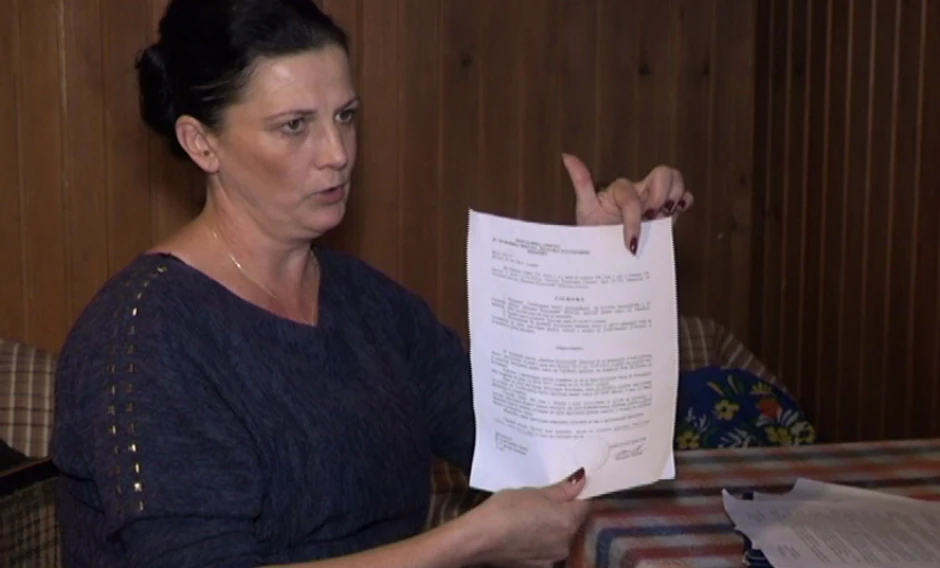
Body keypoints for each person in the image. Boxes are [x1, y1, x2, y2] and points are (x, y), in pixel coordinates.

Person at [50, 0, 694, 567]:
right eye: (295, 125)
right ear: (201, 143)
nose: (337, 152)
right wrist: (469, 541)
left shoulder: (369, 303)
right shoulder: (143, 339)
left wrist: (601, 269)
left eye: (346, 115)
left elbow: (544, 454)